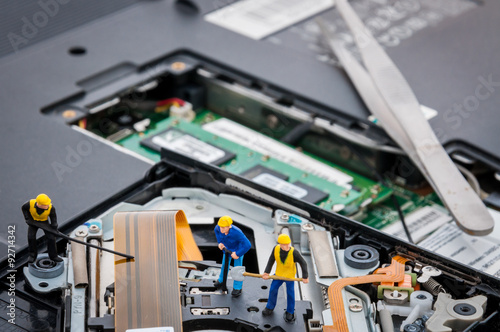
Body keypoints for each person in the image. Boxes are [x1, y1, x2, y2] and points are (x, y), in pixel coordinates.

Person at [262, 234, 309, 323]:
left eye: (288, 244)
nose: (287, 246)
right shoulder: (276, 248)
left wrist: (305, 276)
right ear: (280, 244)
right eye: (285, 244)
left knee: (290, 293)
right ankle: (269, 307)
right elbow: (271, 260)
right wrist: (266, 272)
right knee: (273, 289)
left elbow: (303, 263)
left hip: (289, 277)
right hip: (278, 275)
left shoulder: (294, 252)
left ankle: (290, 312)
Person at [214, 215, 251, 297]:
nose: (221, 229)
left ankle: (237, 288)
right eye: (220, 227)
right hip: (227, 250)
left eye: (223, 227)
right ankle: (221, 280)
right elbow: (216, 231)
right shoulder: (218, 228)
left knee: (237, 269)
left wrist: (237, 254)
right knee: (224, 266)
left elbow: (247, 245)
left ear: (229, 226)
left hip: (237, 251)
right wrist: (220, 242)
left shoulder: (237, 232)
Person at [22, 194, 63, 263]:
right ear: (39, 204)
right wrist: (28, 218)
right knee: (31, 237)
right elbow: (24, 208)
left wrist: (54, 227)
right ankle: (32, 255)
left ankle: (53, 256)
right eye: (45, 205)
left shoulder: (51, 208)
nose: (47, 205)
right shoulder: (29, 204)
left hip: (44, 223)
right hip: (33, 222)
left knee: (51, 238)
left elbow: (53, 218)